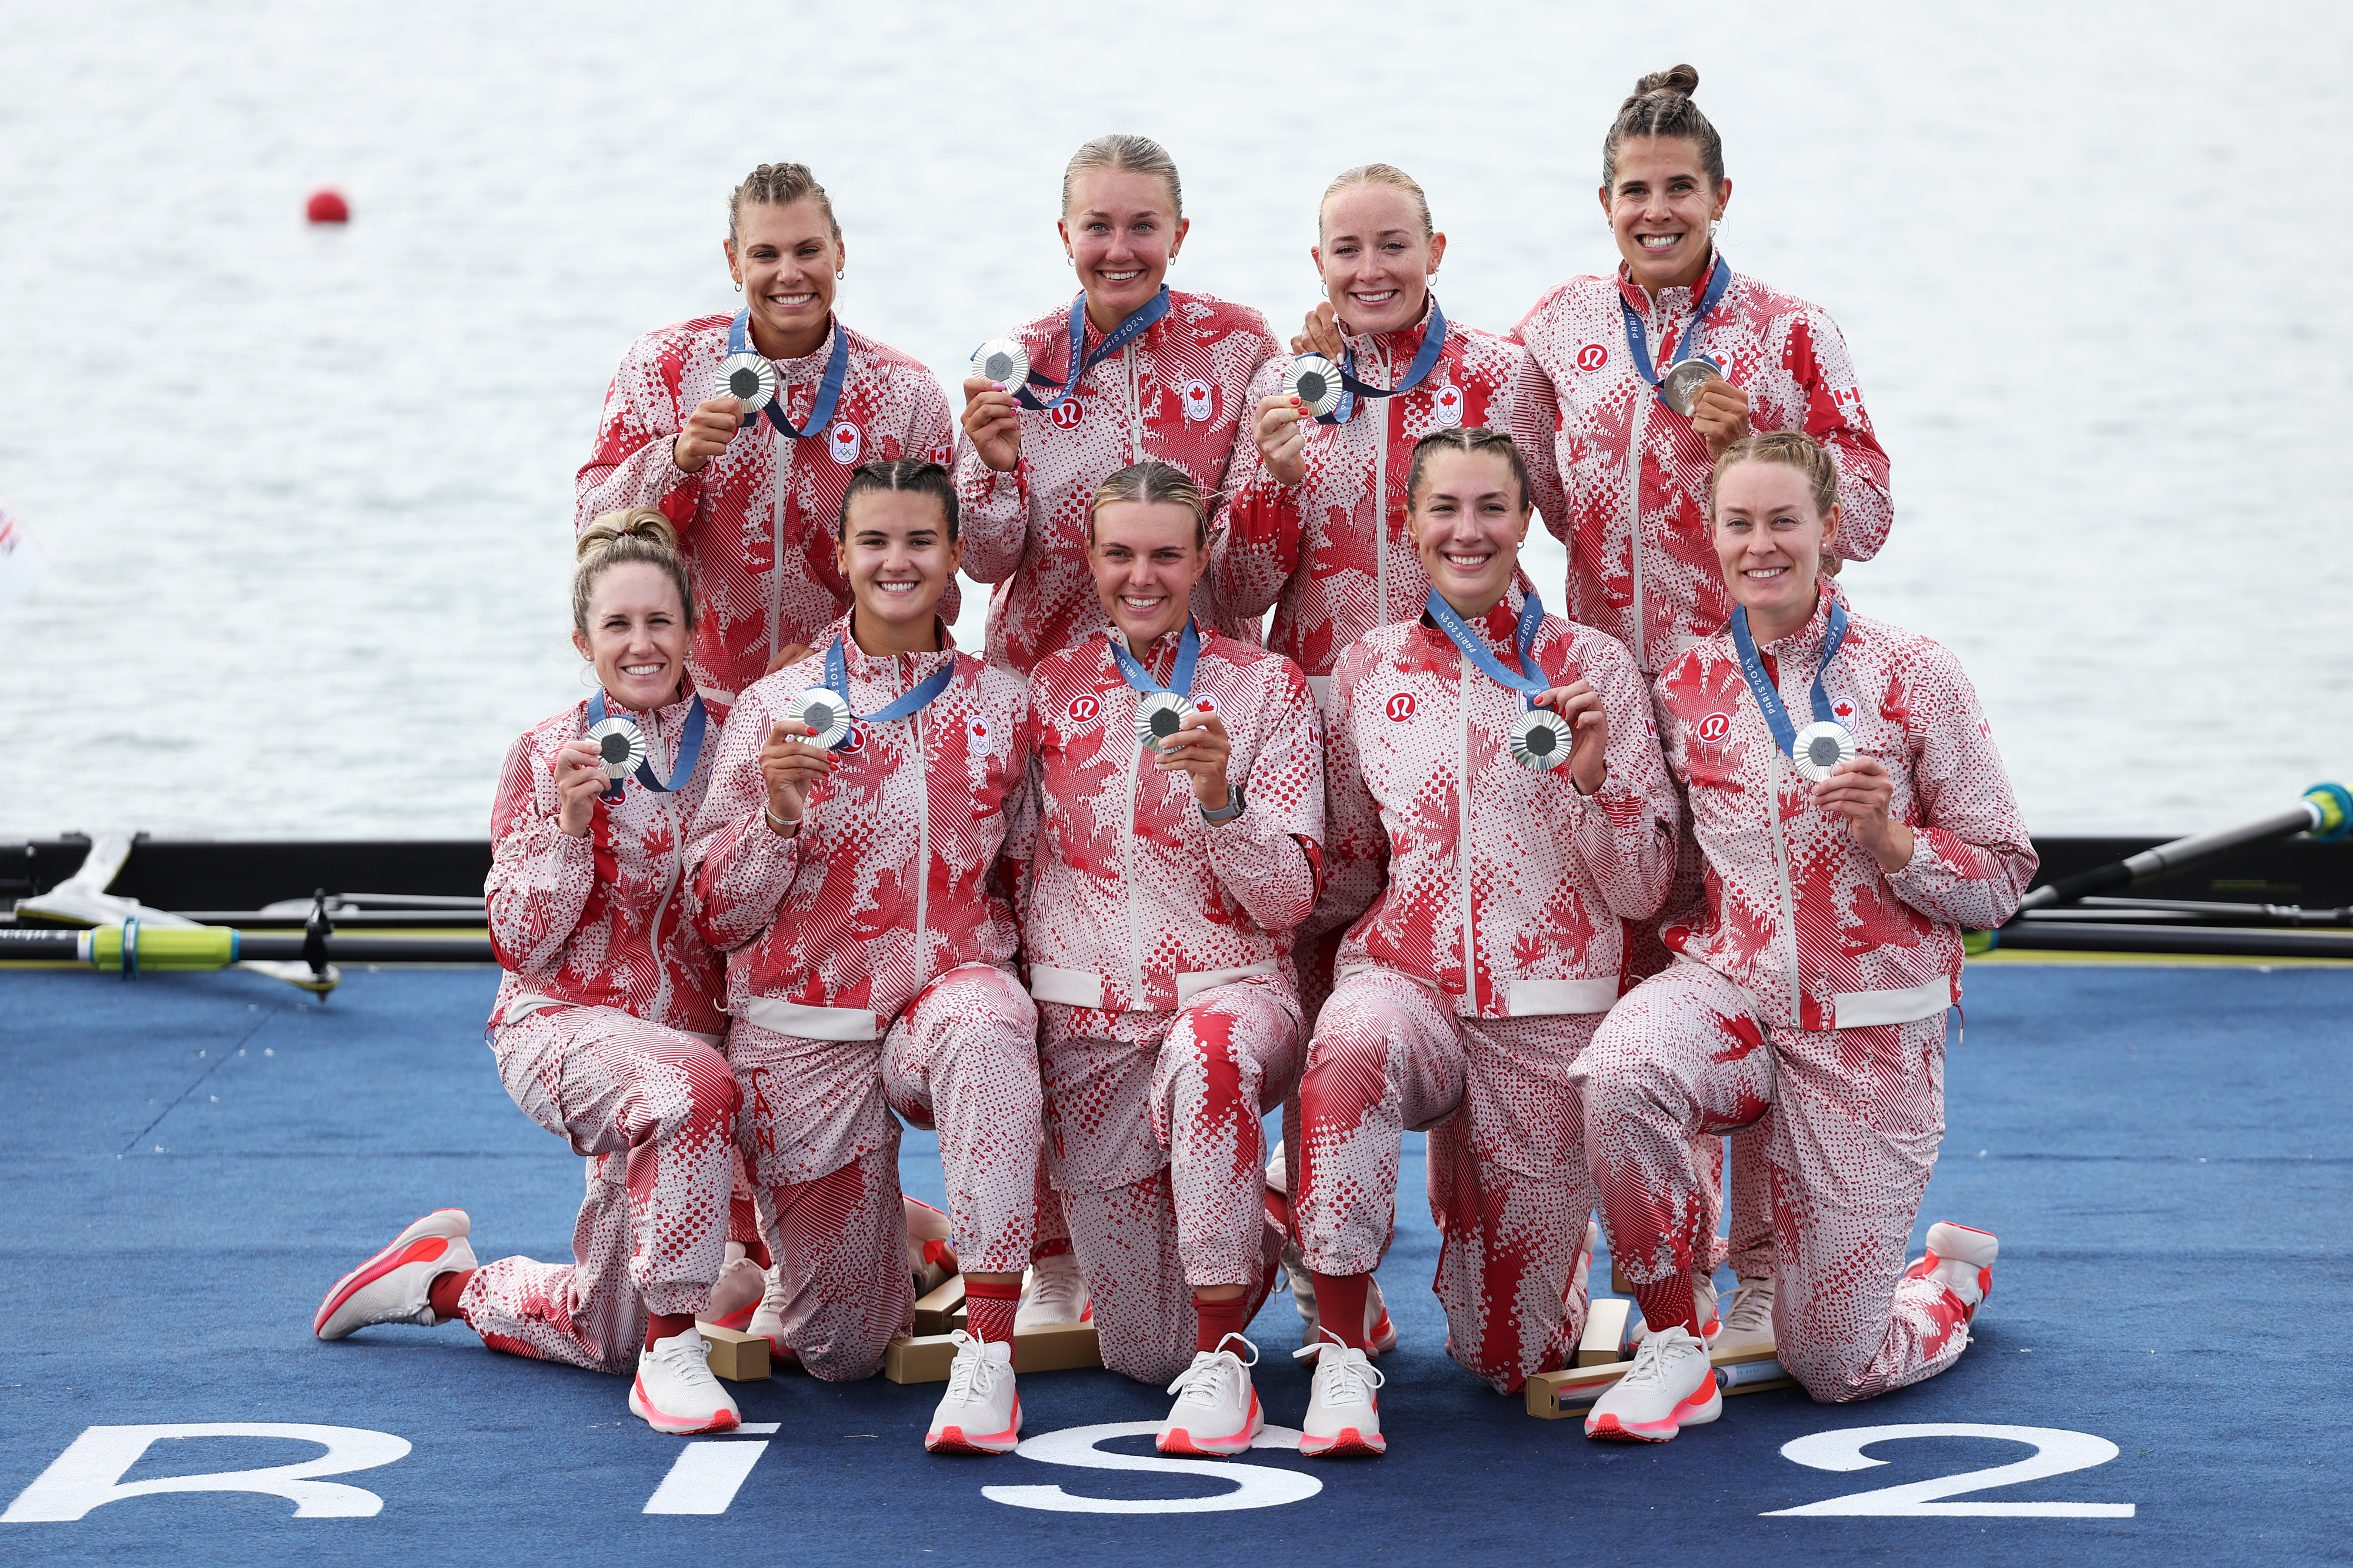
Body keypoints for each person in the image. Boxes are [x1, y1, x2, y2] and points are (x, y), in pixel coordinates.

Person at [1510, 66, 1895, 1330]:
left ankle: (1774, 1277)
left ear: (1721, 195)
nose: (1657, 209)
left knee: (1755, 959)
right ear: (1604, 202)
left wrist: (1761, 438)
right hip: (1607, 696)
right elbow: (1496, 476)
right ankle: (1628, 1280)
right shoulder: (1558, 326)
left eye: (1680, 188)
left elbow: (1873, 515)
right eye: (1635, 190)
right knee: (1623, 967)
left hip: (1751, 701)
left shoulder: (1786, 331)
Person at [1578, 431, 2031, 1442]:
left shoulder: (1918, 673)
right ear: (1712, 537)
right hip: (1732, 996)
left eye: (1785, 520)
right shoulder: (1685, 684)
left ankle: (1944, 1287)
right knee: (1618, 1071)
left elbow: (2002, 878)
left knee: (1832, 1367)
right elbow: (1660, 880)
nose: (1762, 544)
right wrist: (1596, 782)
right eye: (1739, 523)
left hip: (1867, 1029)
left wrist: (1893, 840)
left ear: (1830, 530)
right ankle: (1670, 1342)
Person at [312, 509, 745, 1437]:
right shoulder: (546, 750)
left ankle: (444, 1280)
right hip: (563, 1025)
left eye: (661, 622)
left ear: (695, 629)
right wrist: (568, 833)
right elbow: (518, 941)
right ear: (582, 639)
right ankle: (677, 1353)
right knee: (687, 1082)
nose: (641, 644)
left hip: (694, 1054)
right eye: (619, 626)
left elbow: (747, 912)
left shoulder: (738, 741)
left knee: (608, 1329)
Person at [1288, 428, 1677, 1457]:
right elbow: (1351, 867)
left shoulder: (1594, 667)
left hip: (1549, 1013)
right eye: (1444, 510)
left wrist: (1594, 779)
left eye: (1491, 508)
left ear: (1526, 521)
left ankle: (1530, 1251)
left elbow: (1641, 887)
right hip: (1406, 984)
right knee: (1348, 1050)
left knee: (1509, 1362)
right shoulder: (1367, 669)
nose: (1468, 530)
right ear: (1409, 526)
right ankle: (1338, 1350)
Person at [688, 461, 1039, 1452]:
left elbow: (1031, 878)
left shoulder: (1004, 705)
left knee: (991, 1020)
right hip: (807, 1027)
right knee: (839, 1351)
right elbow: (718, 913)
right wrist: (778, 816)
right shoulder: (772, 708)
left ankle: (987, 1354)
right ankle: (914, 1229)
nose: (899, 561)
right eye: (875, 542)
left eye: (922, 541)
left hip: (946, 1009)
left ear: (957, 558)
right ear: (839, 558)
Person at [1011, 462, 1324, 1453]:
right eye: (1119, 555)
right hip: (1092, 1024)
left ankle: (1227, 1360)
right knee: (1143, 1354)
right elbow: (1012, 873)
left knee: (1212, 1056)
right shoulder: (1048, 689)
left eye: (1164, 555)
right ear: (1091, 559)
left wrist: (1224, 800)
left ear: (1202, 559)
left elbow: (1289, 899)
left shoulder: (1265, 687)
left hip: (1231, 1000)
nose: (1141, 577)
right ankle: (1254, 1208)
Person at [578, 162, 956, 709]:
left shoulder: (905, 390)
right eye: (765, 255)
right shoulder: (666, 367)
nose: (789, 274)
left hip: (839, 705)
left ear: (840, 253)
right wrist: (675, 461)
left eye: (807, 251)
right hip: (687, 703)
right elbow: (590, 528)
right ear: (734, 260)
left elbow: (939, 578)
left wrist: (837, 659)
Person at [957, 135, 1278, 675]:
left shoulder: (1238, 343)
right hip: (1047, 688)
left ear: (1179, 235)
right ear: (1066, 236)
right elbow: (985, 565)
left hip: (1208, 684)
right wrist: (998, 474)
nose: (1120, 250)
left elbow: (1245, 580)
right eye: (1098, 226)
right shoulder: (1017, 360)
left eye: (1144, 226)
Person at [1219, 163, 1534, 709]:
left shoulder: (1505, 375)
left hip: (1472, 692)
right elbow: (1242, 593)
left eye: (1393, 246)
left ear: (1434, 252)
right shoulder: (1281, 384)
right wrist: (1277, 485)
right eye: (1347, 250)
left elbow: (1577, 531)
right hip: (1322, 701)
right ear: (1320, 263)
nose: (1370, 270)